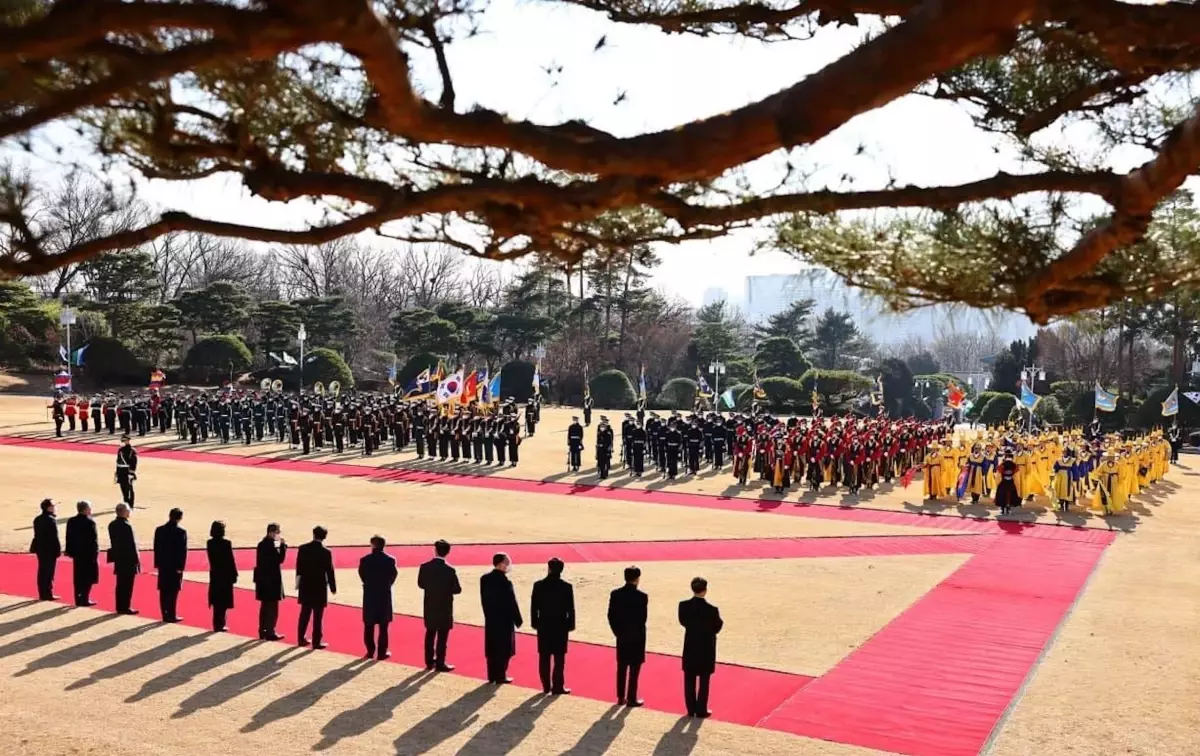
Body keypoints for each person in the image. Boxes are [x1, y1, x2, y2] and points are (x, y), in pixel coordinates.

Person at [679, 576, 723, 718]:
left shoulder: (683, 606)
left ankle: (691, 709)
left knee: (689, 679)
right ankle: (701, 709)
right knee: (704, 681)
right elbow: (718, 626)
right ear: (705, 590)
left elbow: (683, 621)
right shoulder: (712, 610)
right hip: (706, 647)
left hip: (690, 645)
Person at [530, 557, 576, 695]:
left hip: (543, 625)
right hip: (561, 626)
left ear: (549, 568)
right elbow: (570, 609)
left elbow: (534, 607)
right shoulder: (566, 587)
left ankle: (545, 686)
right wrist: (571, 625)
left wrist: (534, 622)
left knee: (544, 657)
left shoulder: (538, 585)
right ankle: (558, 686)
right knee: (559, 658)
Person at [418, 539, 462, 671]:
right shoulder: (449, 570)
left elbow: (421, 584)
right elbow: (457, 589)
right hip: (444, 606)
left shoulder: (425, 567)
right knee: (442, 638)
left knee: (430, 634)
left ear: (435, 550)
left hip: (430, 604)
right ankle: (440, 662)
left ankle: (429, 661)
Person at [607, 565, 648, 707]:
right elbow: (643, 618)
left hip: (622, 635)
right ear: (637, 579)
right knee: (634, 669)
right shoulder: (642, 597)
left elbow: (611, 616)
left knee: (622, 667)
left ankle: (620, 696)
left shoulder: (615, 594)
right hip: (637, 635)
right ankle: (631, 697)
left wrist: (617, 632)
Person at [480, 552, 522, 684]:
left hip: (491, 619)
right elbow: (511, 602)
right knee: (504, 649)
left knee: (492, 648)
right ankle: (501, 675)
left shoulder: (485, 579)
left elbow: (484, 600)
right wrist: (518, 619)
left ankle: (491, 675)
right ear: (502, 564)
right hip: (504, 620)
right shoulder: (505, 582)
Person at [296, 525, 336, 648]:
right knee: (318, 616)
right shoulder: (326, 552)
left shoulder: (303, 548)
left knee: (304, 613)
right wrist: (333, 586)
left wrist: (298, 583)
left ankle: (301, 638)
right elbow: (329, 570)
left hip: (306, 585)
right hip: (319, 587)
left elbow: (299, 568)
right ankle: (316, 641)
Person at [358, 534, 398, 659]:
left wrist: (369, 584)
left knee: (369, 625)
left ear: (372, 544)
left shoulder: (365, 560)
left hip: (370, 595)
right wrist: (386, 585)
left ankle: (370, 651)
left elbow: (362, 574)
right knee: (383, 626)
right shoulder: (390, 560)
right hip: (384, 595)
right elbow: (393, 575)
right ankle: (382, 652)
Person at [153, 508, 187, 622]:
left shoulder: (159, 530)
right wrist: (180, 567)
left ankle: (164, 613)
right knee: (173, 591)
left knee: (163, 591)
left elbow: (156, 548)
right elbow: (182, 552)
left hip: (163, 565)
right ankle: (171, 614)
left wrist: (157, 563)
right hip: (174, 566)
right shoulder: (181, 532)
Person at [254, 523, 287, 640]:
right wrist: (283, 546)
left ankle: (262, 630)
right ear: (272, 532)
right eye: (277, 532)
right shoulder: (271, 546)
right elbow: (280, 559)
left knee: (264, 607)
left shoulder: (261, 544)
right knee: (272, 608)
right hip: (272, 581)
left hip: (262, 580)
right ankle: (270, 631)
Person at [64, 500, 99, 607]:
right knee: (88, 577)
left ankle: (78, 598)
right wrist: (95, 553)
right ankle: (84, 598)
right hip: (88, 554)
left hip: (77, 553)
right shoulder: (90, 522)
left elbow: (68, 537)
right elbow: (93, 540)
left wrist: (69, 551)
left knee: (78, 576)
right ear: (86, 509)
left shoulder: (71, 521)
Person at [107, 503, 140, 615]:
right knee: (127, 585)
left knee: (120, 584)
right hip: (128, 559)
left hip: (118, 557)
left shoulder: (112, 525)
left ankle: (120, 606)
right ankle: (125, 606)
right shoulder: (126, 526)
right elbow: (132, 545)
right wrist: (137, 560)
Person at [206, 520, 238, 632]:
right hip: (225, 575)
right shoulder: (226, 543)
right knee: (223, 601)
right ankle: (221, 623)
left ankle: (216, 623)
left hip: (215, 574)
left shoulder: (209, 543)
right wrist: (234, 574)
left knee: (216, 600)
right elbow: (230, 560)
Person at [30, 498, 61, 601]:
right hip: (49, 550)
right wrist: (58, 550)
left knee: (42, 570)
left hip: (40, 548)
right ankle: (48, 593)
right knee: (48, 572)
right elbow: (54, 537)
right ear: (49, 508)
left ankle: (42, 592)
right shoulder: (51, 520)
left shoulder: (37, 519)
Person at [115, 434, 138, 509]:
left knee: (129, 489)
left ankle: (131, 504)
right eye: (123, 440)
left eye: (125, 440)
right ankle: (126, 502)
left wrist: (131, 473)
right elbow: (118, 461)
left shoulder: (132, 451)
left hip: (127, 471)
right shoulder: (120, 450)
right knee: (123, 489)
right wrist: (117, 472)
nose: (124, 442)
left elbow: (133, 463)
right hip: (121, 471)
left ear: (128, 440)